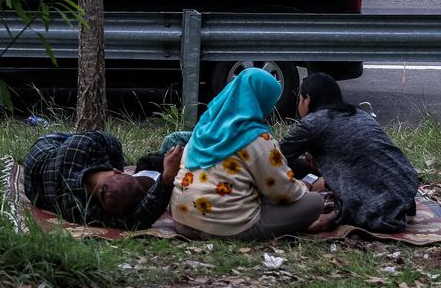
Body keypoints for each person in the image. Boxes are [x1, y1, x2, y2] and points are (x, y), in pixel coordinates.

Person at [170, 67, 328, 240]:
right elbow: (284, 192)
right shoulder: (257, 138)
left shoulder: (204, 126)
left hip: (182, 220)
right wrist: (305, 186)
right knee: (314, 203)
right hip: (227, 228)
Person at [280, 73, 418, 232]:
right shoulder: (359, 114)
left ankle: (334, 216)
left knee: (285, 164)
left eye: (299, 99)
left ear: (307, 99)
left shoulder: (313, 123)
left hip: (378, 204)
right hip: (404, 185)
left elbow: (275, 157)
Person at [23, 131, 183, 229]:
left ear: (117, 172)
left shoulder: (77, 207)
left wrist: (166, 179)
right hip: (44, 159)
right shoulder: (77, 207)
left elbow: (113, 144)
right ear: (117, 171)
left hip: (42, 160)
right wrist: (166, 178)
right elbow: (136, 220)